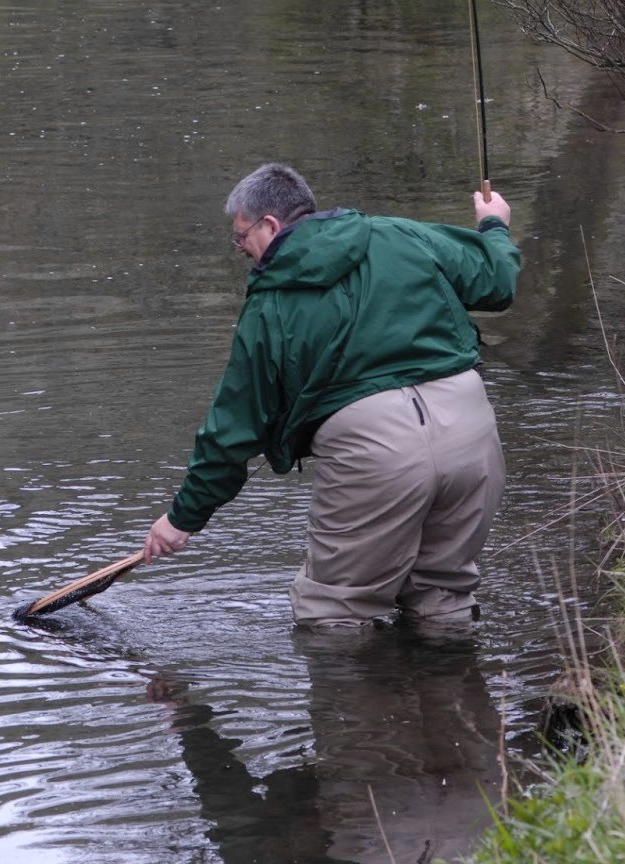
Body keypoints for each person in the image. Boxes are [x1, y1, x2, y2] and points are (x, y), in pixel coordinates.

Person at [142, 162, 520, 626]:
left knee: (334, 614)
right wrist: (493, 226)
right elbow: (498, 285)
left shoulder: (271, 303)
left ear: (271, 225)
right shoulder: (403, 234)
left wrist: (182, 518)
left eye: (241, 238)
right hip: (470, 430)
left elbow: (234, 428)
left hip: (374, 450)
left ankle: (354, 698)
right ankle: (454, 692)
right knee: (443, 595)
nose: (241, 249)